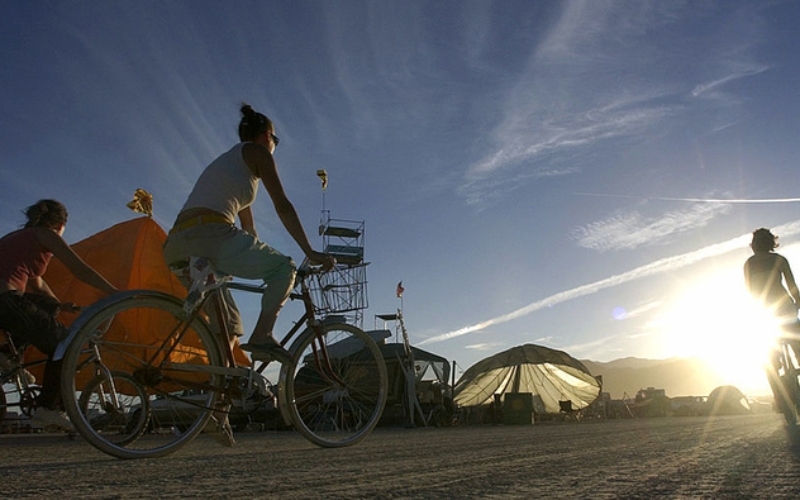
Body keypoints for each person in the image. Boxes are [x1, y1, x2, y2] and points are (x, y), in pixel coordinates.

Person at [163, 103, 335, 444]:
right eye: (276, 139)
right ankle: (264, 336)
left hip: (181, 246)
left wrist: (254, 250)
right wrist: (309, 253)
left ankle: (215, 413)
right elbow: (283, 204)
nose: (275, 145)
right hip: (209, 236)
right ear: (265, 136)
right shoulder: (258, 153)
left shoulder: (233, 166)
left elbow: (248, 227)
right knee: (281, 266)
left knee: (226, 329)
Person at [0, 199, 118, 431]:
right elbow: (79, 268)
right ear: (60, 223)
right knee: (67, 343)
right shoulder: (46, 234)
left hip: (7, 301)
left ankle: (7, 355)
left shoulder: (18, 239)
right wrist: (114, 292)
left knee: (48, 305)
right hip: (6, 300)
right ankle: (49, 409)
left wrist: (63, 306)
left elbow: (39, 286)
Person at [743, 228, 800, 413]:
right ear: (771, 243)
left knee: (770, 361)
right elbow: (792, 287)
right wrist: (798, 304)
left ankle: (781, 400)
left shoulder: (749, 264)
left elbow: (750, 292)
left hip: (764, 314)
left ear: (754, 245)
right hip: (785, 311)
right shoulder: (779, 259)